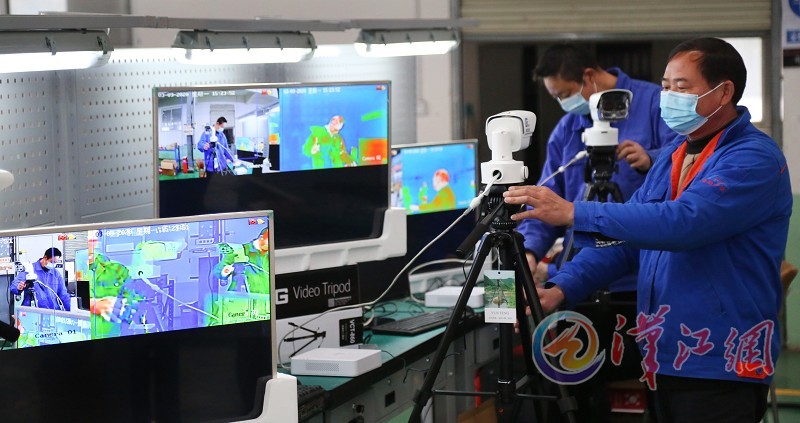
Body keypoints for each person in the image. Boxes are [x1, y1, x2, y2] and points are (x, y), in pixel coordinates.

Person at [504, 37, 792, 422]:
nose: (668, 97)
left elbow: (683, 223)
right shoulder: (674, 155)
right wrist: (562, 287)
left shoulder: (752, 158)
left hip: (721, 357)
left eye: (681, 87)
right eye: (665, 86)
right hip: (664, 351)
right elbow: (627, 241)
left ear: (724, 92)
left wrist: (575, 212)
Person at [518, 43, 674, 287]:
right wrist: (529, 250)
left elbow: (688, 163)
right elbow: (548, 201)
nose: (563, 103)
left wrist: (651, 159)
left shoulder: (655, 104)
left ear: (588, 76)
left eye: (566, 94)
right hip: (577, 275)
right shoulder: (567, 129)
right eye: (557, 97)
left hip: (641, 274)